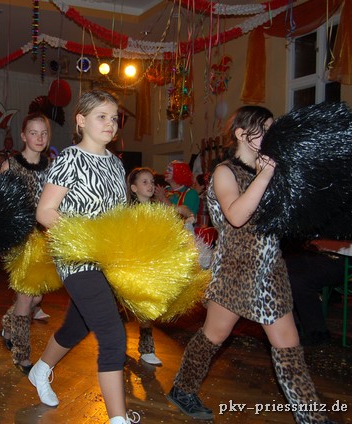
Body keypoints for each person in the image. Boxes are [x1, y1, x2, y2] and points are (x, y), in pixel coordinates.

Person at [167, 106, 331, 423]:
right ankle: (183, 389)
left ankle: (311, 416)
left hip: (270, 270)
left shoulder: (270, 171)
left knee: (288, 345)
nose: (271, 136)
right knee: (213, 336)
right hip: (235, 270)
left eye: (272, 129)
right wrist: (265, 174)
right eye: (264, 130)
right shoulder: (224, 172)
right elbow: (237, 216)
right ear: (242, 134)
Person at [30, 90, 138, 424]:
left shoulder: (116, 164)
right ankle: (118, 419)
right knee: (113, 336)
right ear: (81, 120)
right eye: (101, 116)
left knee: (76, 326)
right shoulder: (70, 159)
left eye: (114, 118)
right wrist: (85, 239)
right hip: (76, 258)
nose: (110, 123)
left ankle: (40, 369)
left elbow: (118, 216)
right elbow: (45, 212)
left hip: (106, 260)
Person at [0, 112, 52, 375]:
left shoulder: (52, 168)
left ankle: (8, 324)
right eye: (33, 132)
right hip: (19, 239)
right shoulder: (10, 166)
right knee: (25, 297)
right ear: (23, 136)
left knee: (36, 297)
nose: (39, 138)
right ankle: (21, 354)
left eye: (44, 133)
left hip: (43, 239)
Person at [127, 167, 163, 366]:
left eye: (152, 181)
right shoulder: (128, 213)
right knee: (123, 311)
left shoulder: (158, 211)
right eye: (145, 182)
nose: (150, 185)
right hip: (130, 267)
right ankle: (116, 345)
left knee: (147, 310)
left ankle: (147, 349)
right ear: (134, 188)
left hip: (151, 267)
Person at [283, 240, 343, 346]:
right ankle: (290, 326)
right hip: (316, 252)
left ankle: (318, 332)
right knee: (277, 270)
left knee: (298, 281)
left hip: (342, 258)